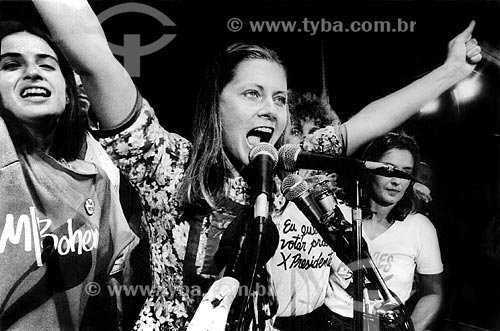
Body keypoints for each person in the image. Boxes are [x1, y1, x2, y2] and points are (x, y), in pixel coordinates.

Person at [29, 1, 482, 330]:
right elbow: (90, 50)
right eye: (252, 94)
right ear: (217, 105)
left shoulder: (282, 172)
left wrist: (450, 71)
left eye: (280, 99)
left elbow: (365, 123)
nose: (272, 110)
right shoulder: (168, 162)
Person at [0, 20, 138, 330]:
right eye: (10, 65)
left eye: (48, 66)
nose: (33, 72)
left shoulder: (96, 183)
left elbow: (104, 298)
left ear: (68, 92)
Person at [324, 132, 443, 331]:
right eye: (389, 170)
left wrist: (409, 328)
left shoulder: (420, 227)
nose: (397, 181)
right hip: (330, 322)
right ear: (368, 169)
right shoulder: (338, 215)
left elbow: (433, 293)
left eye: (405, 172)